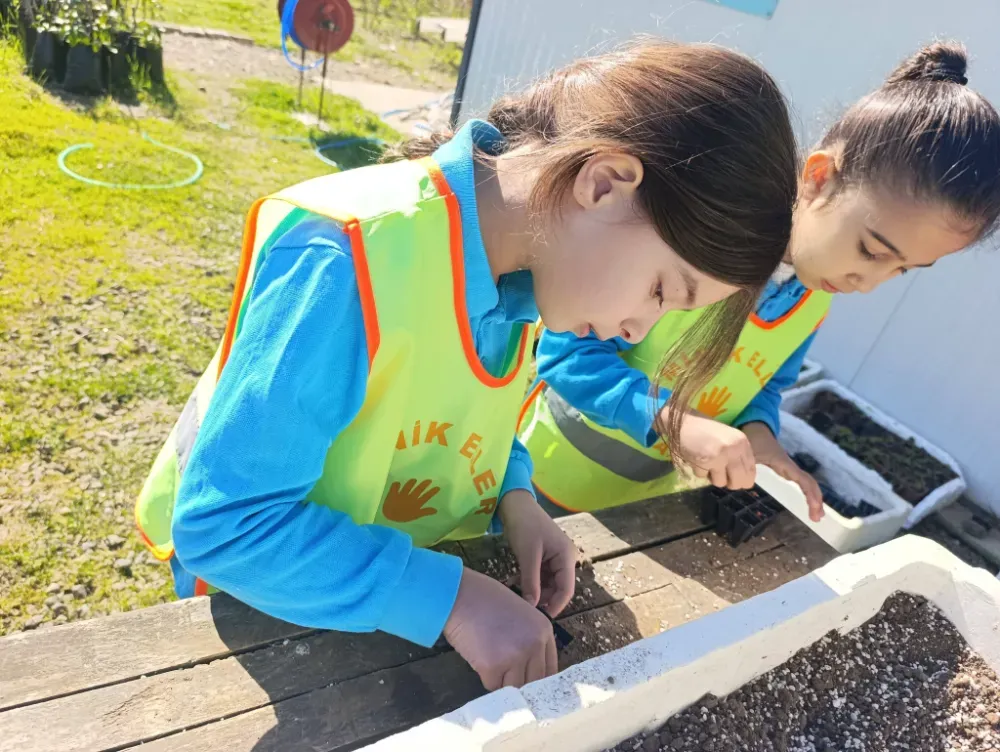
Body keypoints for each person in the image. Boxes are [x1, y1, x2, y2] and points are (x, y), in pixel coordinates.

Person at [134, 39, 799, 691]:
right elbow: (229, 524)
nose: (637, 329)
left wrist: (516, 499)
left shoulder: (529, 265)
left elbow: (463, 411)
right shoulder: (346, 256)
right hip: (274, 603)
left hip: (373, 594)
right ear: (603, 183)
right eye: (661, 290)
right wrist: (453, 599)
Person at [520, 41, 1000, 524]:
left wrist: (760, 436)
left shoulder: (811, 296)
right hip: (541, 480)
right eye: (871, 251)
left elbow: (764, 385)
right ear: (818, 177)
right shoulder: (700, 245)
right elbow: (566, 354)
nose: (868, 283)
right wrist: (671, 420)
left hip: (642, 503)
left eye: (899, 270)